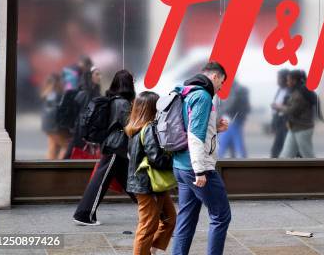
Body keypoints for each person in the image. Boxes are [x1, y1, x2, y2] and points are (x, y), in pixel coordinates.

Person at [172, 62, 231, 255]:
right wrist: (200, 170)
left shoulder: (186, 92)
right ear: (215, 77)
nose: (221, 87)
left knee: (186, 218)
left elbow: (191, 127)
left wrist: (216, 128)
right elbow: (195, 135)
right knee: (221, 216)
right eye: (221, 82)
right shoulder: (203, 96)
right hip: (195, 167)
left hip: (181, 165)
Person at [73, 69, 137, 226]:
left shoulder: (113, 99)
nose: (134, 84)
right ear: (128, 84)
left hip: (115, 148)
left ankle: (153, 209)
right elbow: (129, 127)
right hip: (115, 148)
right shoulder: (122, 103)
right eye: (132, 81)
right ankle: (83, 214)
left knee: (131, 181)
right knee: (99, 182)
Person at [125, 91, 176, 255]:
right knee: (147, 226)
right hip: (148, 185)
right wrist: (176, 159)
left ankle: (152, 250)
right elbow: (157, 159)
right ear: (152, 108)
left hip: (151, 184)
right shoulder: (149, 128)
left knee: (169, 218)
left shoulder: (134, 128)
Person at [64, 67, 102, 159]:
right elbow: (75, 114)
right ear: (90, 76)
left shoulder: (97, 94)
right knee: (70, 156)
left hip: (90, 133)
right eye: (97, 74)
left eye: (100, 74)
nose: (100, 77)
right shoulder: (83, 94)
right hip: (80, 133)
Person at [277, 70, 316, 158]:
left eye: (288, 80)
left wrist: (280, 107)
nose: (287, 83)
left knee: (308, 155)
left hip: (302, 129)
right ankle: (279, 171)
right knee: (286, 155)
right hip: (295, 128)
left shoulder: (300, 94)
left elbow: (292, 110)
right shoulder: (298, 91)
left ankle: (319, 171)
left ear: (294, 81)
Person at [217, 80, 251, 158]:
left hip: (232, 120)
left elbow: (232, 105)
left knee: (224, 145)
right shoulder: (237, 89)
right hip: (231, 120)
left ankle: (219, 164)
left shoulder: (237, 90)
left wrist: (223, 113)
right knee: (233, 144)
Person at [40, 73, 69, 160]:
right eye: (61, 81)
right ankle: (61, 165)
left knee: (53, 146)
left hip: (47, 127)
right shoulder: (56, 95)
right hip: (54, 127)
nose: (62, 83)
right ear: (57, 82)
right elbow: (56, 112)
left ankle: (49, 165)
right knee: (66, 146)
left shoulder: (46, 93)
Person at [270, 69, 290, 158]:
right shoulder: (279, 90)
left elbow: (291, 108)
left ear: (285, 79)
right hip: (279, 123)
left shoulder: (290, 91)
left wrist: (278, 107)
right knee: (277, 149)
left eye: (279, 78)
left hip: (286, 123)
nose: (277, 81)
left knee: (282, 148)